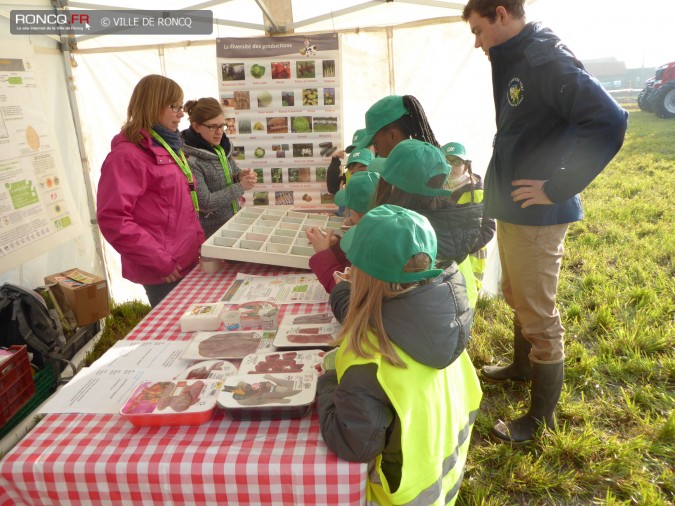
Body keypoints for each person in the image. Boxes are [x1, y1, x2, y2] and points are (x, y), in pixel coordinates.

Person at [461, 0, 628, 443]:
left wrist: (557, 187)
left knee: (537, 309)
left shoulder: (545, 59)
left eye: (479, 30)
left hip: (539, 210)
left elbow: (610, 121)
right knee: (517, 291)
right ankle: (520, 367)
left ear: (500, 13)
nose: (477, 43)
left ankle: (539, 420)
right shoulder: (514, 53)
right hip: (516, 204)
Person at [316, 204, 482, 506]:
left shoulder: (367, 358)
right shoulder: (444, 319)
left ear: (363, 277)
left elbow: (353, 443)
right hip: (445, 474)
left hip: (401, 495)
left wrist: (327, 384)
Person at [97, 74, 205, 308]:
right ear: (152, 105)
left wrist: (200, 245)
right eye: (174, 106)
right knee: (176, 335)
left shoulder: (167, 148)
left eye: (180, 106)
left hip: (186, 262)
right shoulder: (127, 156)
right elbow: (113, 218)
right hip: (165, 271)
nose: (181, 113)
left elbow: (184, 206)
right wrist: (160, 262)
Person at [371, 139, 484, 308]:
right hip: (463, 306)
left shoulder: (406, 234)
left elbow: (382, 303)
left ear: (395, 186)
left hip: (432, 319)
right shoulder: (447, 218)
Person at [182, 97, 257, 238]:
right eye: (212, 126)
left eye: (222, 126)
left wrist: (239, 176)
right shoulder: (191, 160)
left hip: (233, 222)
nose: (219, 132)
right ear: (196, 126)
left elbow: (233, 172)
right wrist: (241, 186)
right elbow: (206, 202)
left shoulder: (222, 147)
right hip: (212, 234)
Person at [306, 171, 380, 293]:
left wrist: (323, 253)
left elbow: (344, 291)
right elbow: (350, 266)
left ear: (355, 214)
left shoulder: (369, 243)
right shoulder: (382, 233)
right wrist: (337, 246)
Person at [442, 141, 496, 291]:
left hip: (470, 256)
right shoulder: (434, 189)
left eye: (457, 161)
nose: (451, 165)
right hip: (444, 256)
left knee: (468, 296)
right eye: (447, 160)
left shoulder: (479, 192)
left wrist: (467, 247)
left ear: (466, 165)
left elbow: (489, 227)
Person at [355, 95, 440, 157]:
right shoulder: (426, 159)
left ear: (393, 135)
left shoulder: (408, 170)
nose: (376, 150)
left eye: (376, 143)